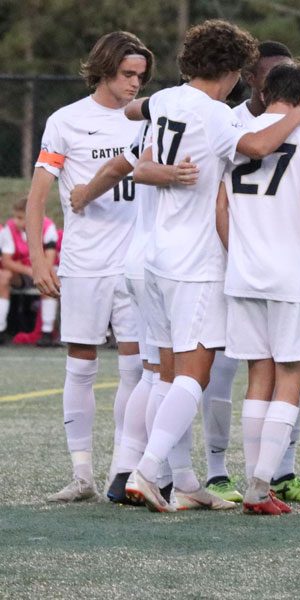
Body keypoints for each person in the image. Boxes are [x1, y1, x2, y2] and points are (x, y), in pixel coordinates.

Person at [129, 19, 300, 512]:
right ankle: (147, 471)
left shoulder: (169, 100)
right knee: (195, 373)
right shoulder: (213, 113)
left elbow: (142, 160)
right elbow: (256, 146)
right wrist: (299, 117)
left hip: (156, 256)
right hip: (195, 262)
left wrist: (166, 171)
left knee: (168, 374)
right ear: (234, 71)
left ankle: (184, 478)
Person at [25, 31, 153, 503]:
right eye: (127, 74)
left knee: (137, 367)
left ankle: (123, 471)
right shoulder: (67, 121)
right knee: (80, 365)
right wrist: (41, 257)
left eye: (141, 76)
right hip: (84, 262)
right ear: (104, 69)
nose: (135, 84)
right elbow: (38, 196)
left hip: (137, 263)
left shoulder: (148, 119)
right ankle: (83, 475)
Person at [217, 61, 300, 515]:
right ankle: (260, 485)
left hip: (244, 273)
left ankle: (253, 482)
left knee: (257, 378)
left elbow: (221, 208)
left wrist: (239, 254)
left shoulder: (236, 131)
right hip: (289, 275)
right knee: (290, 376)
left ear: (265, 93)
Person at [66, 119, 199, 505]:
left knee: (153, 373)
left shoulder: (158, 120)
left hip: (141, 258)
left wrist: (84, 194)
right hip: (176, 262)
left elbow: (117, 168)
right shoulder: (206, 122)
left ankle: (127, 472)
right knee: (179, 376)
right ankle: (156, 473)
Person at [0, 197, 60, 347]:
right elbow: (6, 261)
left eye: (20, 217)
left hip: (43, 269)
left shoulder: (48, 227)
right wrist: (27, 270)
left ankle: (47, 332)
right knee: (3, 276)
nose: (16, 221)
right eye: (15, 216)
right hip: (22, 272)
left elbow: (50, 259)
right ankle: (1, 330)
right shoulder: (10, 228)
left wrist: (39, 272)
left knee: (48, 277)